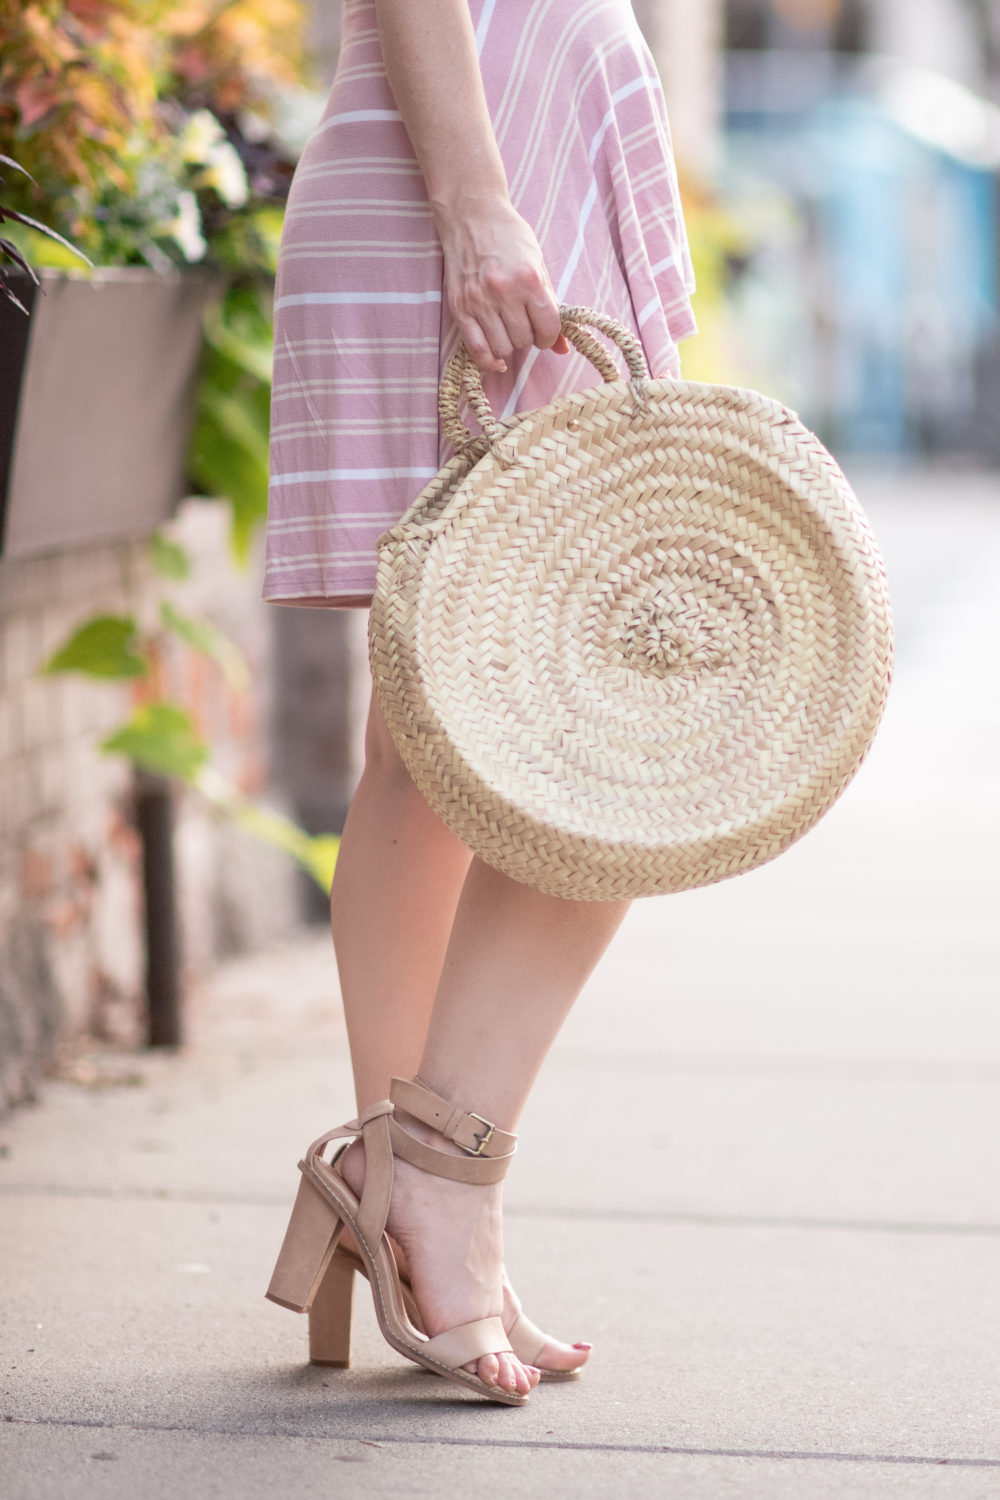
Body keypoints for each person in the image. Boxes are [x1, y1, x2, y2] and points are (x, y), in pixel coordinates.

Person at [263, 0, 696, 1405]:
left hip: (518, 168)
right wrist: (478, 204)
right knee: (602, 744)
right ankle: (441, 1189)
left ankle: (416, 1186)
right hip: (464, 182)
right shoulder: (475, 192)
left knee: (429, 748)